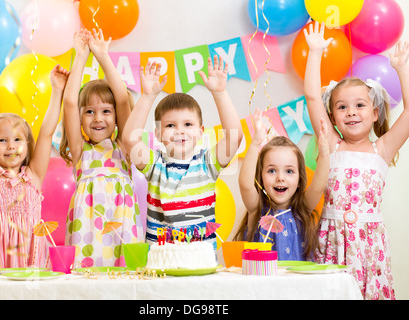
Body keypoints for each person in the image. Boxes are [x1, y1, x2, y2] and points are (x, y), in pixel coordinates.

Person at [304, 21, 409, 299]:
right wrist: (315, 53)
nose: (351, 112)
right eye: (342, 107)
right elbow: (313, 97)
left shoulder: (382, 150)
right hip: (331, 241)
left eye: (360, 105)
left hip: (370, 247)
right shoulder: (331, 143)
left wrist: (401, 69)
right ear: (333, 116)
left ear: (375, 113)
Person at [122, 56, 243, 249]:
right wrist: (147, 97)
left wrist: (220, 94)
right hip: (161, 264)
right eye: (170, 125)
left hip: (200, 264)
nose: (180, 130)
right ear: (159, 134)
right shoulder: (155, 166)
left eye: (188, 124)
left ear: (200, 131)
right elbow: (129, 139)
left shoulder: (207, 163)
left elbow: (234, 138)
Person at [0, 54, 68, 281]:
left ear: (27, 145)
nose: (11, 146)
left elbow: (46, 132)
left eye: (17, 140)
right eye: (2, 140)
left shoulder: (33, 176)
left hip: (32, 259)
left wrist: (57, 91)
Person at [60, 29, 143, 268]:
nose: (98, 118)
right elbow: (69, 101)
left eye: (106, 111)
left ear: (116, 117)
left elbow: (122, 99)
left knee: (123, 283)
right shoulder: (80, 150)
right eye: (90, 112)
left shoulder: (125, 146)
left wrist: (103, 55)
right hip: (86, 233)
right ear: (80, 117)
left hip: (122, 228)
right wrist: (81, 55)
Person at [234, 109, 329, 261]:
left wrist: (324, 154)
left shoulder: (302, 208)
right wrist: (255, 143)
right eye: (271, 170)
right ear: (261, 177)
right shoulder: (256, 209)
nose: (280, 178)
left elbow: (318, 185)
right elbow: (245, 184)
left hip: (297, 283)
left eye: (289, 171)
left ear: (299, 179)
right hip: (263, 282)